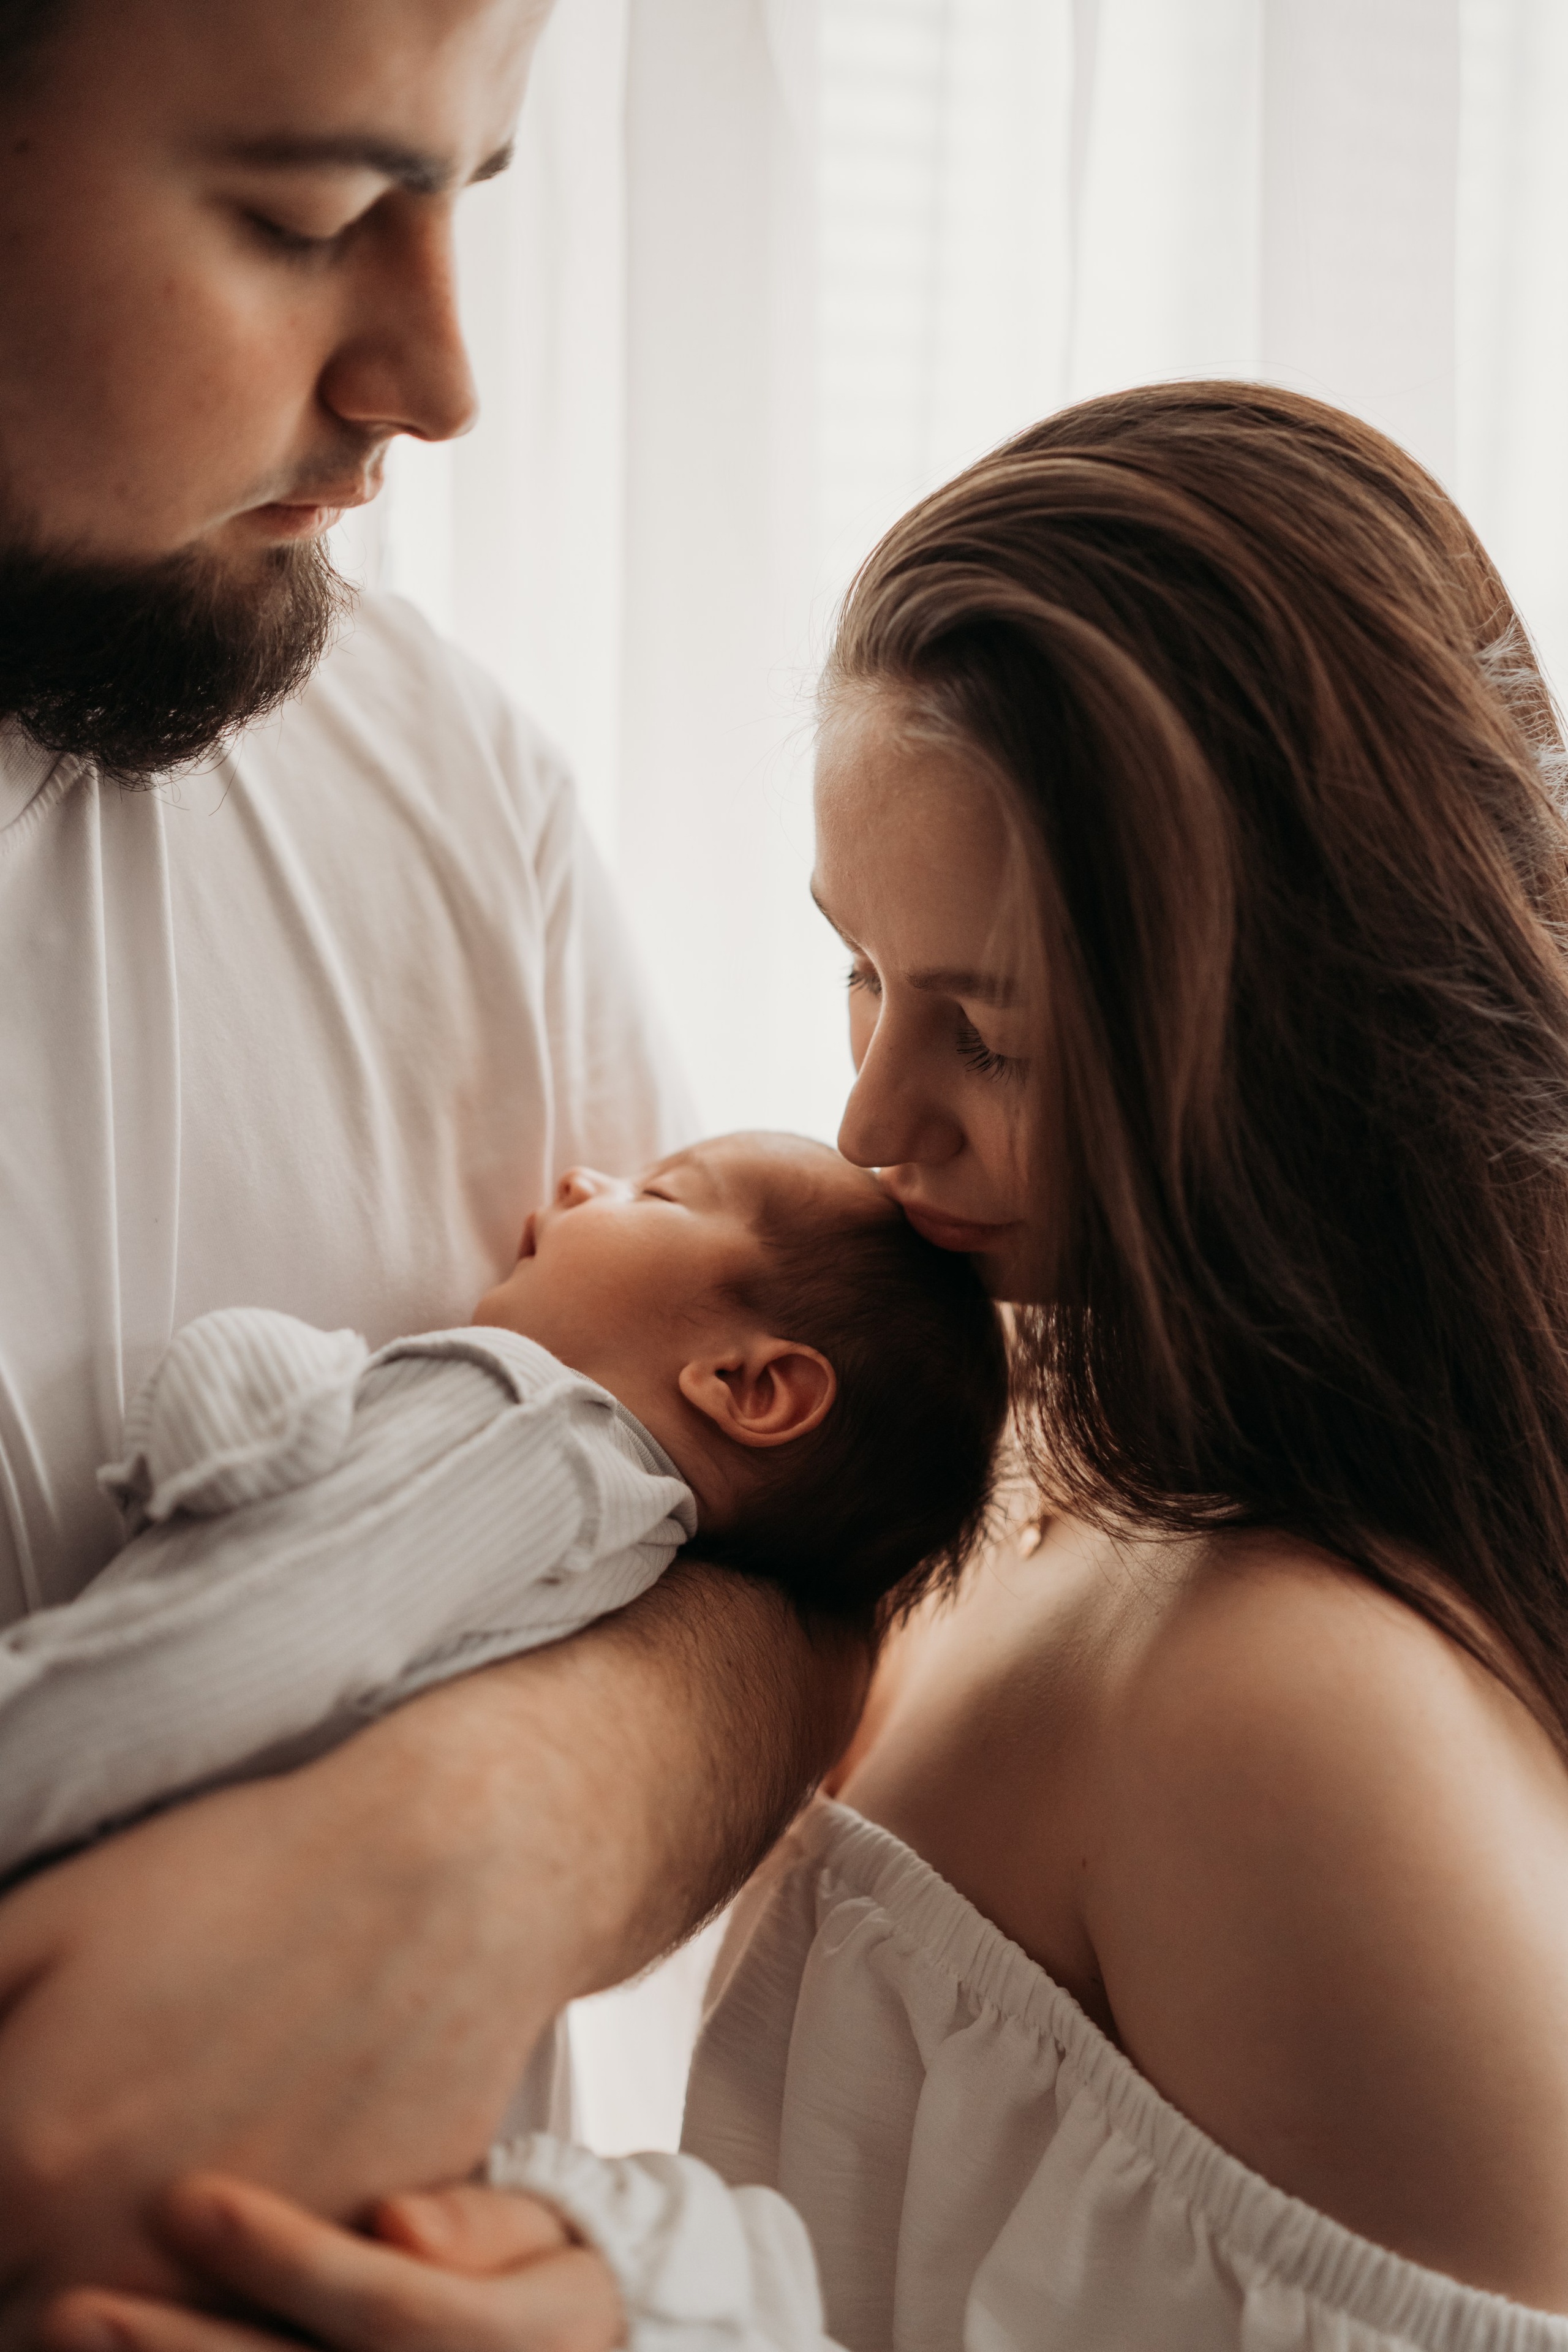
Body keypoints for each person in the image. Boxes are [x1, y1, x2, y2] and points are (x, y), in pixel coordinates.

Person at [66, 383, 1568, 2350]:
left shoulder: (1317, 1728)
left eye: (994, 1039)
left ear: (1313, 1032)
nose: (872, 1121)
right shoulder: (1033, 1460)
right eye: (862, 969)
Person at [0, 0, 869, 2322]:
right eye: (305, 214)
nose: (440, 382)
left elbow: (798, 1545)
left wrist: (480, 1842)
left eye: (470, 193)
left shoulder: (445, 778)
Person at [0, 1135, 1005, 1880]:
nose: (578, 1179)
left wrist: (257, 1369)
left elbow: (254, 1627)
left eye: (656, 1192)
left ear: (749, 1386)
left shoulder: (531, 1426)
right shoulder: (621, 1558)